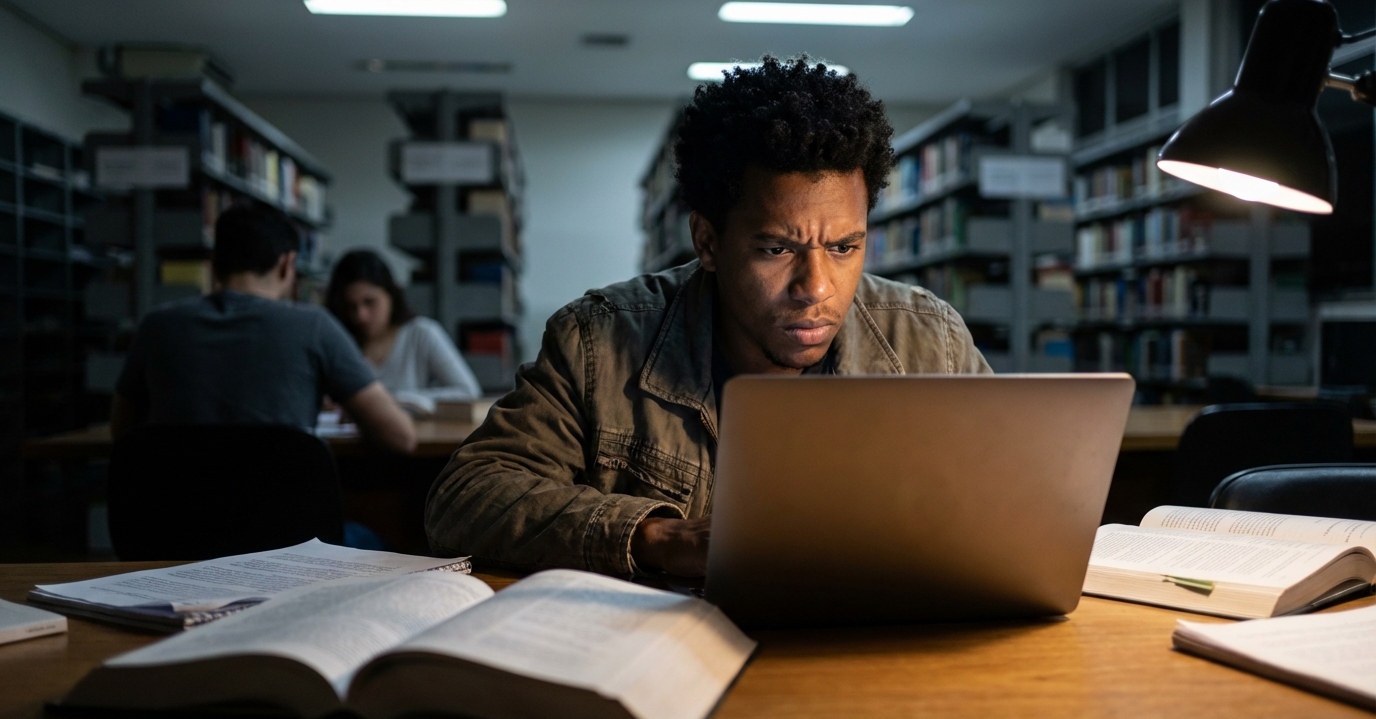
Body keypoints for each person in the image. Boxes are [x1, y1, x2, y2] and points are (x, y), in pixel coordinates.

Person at [425, 55, 990, 579]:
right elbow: (467, 497)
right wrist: (657, 537)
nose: (816, 288)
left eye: (844, 247)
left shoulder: (930, 340)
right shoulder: (598, 341)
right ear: (708, 241)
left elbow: (1013, 496)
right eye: (777, 249)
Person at [112, 206, 416, 454]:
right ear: (287, 265)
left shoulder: (156, 326)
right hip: (286, 512)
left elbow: (123, 431)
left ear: (214, 265)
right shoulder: (314, 327)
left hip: (175, 510)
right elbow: (399, 437)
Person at [325, 249, 483, 411]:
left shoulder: (421, 333)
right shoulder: (339, 342)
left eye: (370, 302)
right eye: (351, 306)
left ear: (391, 295)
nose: (361, 316)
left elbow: (468, 391)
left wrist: (396, 400)